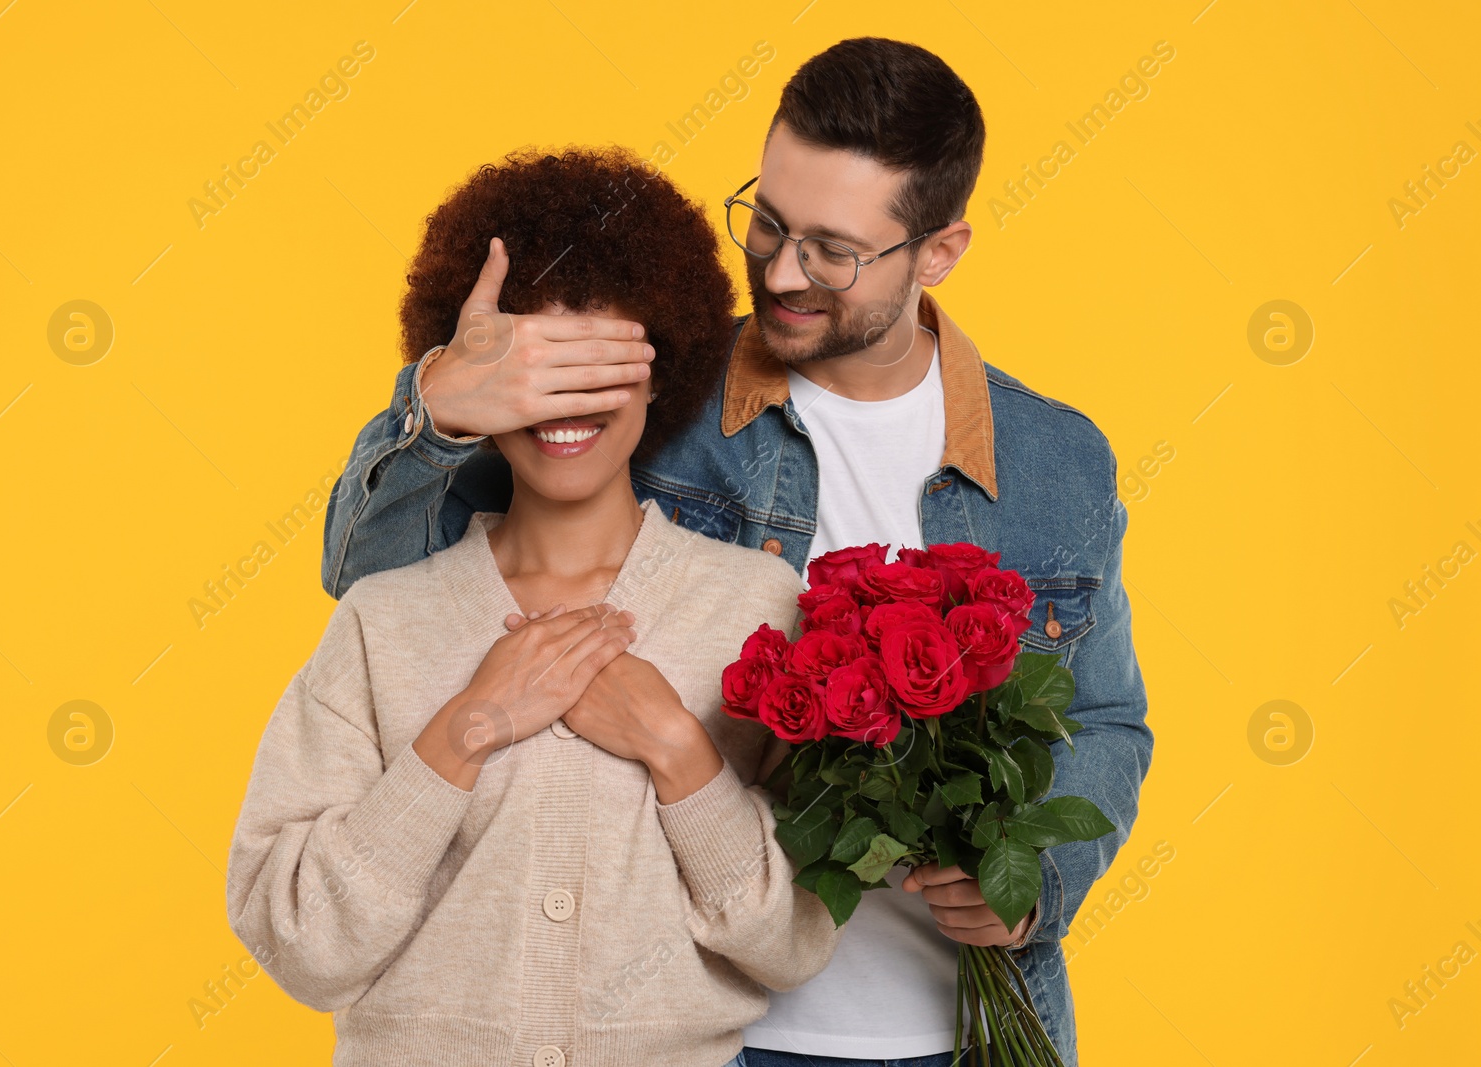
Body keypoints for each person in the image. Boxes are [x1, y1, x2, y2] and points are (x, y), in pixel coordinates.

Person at [318, 37, 1151, 1067]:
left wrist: (1035, 886)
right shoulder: (653, 392)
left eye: (834, 250)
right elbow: (382, 593)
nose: (783, 272)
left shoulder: (1057, 459)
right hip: (703, 1029)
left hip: (971, 1031)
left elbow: (1106, 718)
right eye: (767, 221)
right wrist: (433, 413)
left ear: (937, 251)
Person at [227, 147, 842, 1067]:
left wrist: (680, 750)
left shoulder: (757, 607)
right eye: (534, 367)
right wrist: (466, 730)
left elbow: (798, 936)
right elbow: (299, 941)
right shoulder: (382, 619)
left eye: (598, 362)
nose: (566, 403)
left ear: (660, 369)